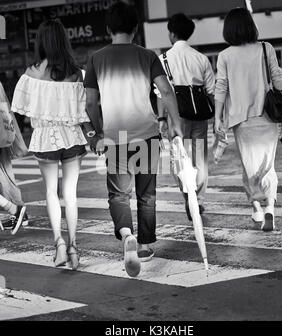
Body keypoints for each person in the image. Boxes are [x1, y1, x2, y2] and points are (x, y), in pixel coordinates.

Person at [84, 2, 182, 277]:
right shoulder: (147, 55)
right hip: (147, 134)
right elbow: (166, 91)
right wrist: (175, 124)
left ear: (108, 29)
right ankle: (147, 245)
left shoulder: (96, 58)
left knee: (118, 193)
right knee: (146, 194)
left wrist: (99, 131)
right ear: (136, 28)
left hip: (117, 137)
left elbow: (90, 102)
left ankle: (127, 234)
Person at [11, 19, 90, 270]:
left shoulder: (30, 74)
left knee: (50, 193)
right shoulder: (77, 73)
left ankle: (59, 246)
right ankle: (75, 247)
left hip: (45, 138)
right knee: (71, 194)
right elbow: (85, 112)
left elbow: (20, 114)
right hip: (72, 138)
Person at [214, 8, 282, 231]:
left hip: (241, 120)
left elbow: (221, 88)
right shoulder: (266, 48)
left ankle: (256, 207)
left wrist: (218, 118)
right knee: (268, 165)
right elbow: (277, 80)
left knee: (249, 165)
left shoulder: (225, 56)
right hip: (267, 116)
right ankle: (270, 207)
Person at [156, 13, 215, 221]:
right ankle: (197, 199)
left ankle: (187, 194)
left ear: (171, 34)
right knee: (200, 158)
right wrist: (218, 118)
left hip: (176, 117)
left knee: (179, 158)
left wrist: (162, 120)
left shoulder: (163, 59)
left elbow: (161, 93)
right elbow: (211, 91)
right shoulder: (201, 58)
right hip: (199, 114)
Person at [0, 81, 28, 234]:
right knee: (5, 173)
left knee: (4, 173)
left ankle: (14, 208)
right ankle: (18, 210)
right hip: (3, 130)